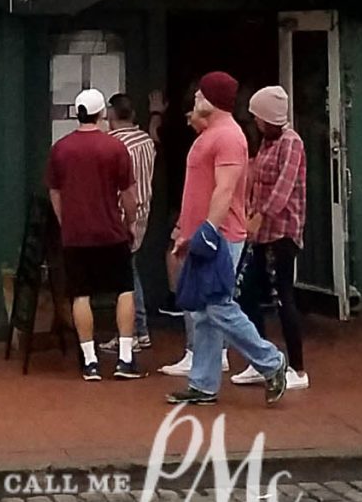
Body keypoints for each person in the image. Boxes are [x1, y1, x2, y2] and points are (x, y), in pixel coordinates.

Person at [163, 72, 289, 407]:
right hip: (206, 234)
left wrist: (205, 231)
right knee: (205, 312)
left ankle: (271, 361)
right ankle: (204, 383)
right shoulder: (213, 134)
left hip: (218, 235)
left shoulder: (229, 137)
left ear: (214, 99)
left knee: (218, 305)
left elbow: (225, 188)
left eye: (201, 94)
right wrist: (187, 231)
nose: (195, 98)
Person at [45, 90, 142, 381]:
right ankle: (125, 357)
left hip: (76, 235)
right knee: (123, 290)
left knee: (80, 294)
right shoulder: (114, 148)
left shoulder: (60, 149)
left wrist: (66, 221)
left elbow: (54, 191)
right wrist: (131, 223)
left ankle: (90, 360)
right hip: (111, 230)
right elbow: (129, 195)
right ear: (102, 115)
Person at [232, 85, 310, 392]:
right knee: (247, 293)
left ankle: (298, 368)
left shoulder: (291, 143)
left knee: (283, 296)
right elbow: (256, 180)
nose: (256, 123)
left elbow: (282, 187)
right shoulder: (266, 143)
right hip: (260, 232)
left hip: (282, 231)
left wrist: (259, 214)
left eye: (258, 118)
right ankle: (260, 358)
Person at [107, 94, 157, 349]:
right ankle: (140, 328)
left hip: (120, 213)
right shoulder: (146, 141)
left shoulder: (114, 143)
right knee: (130, 267)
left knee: (125, 275)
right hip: (143, 211)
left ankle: (134, 330)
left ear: (111, 115)